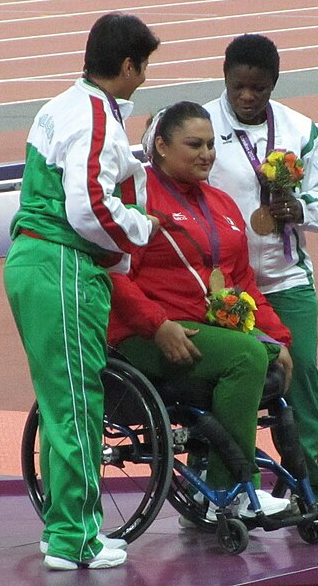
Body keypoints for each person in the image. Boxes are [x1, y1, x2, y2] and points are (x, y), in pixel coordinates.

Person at [4, 13, 160, 571]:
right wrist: (140, 230)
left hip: (35, 261)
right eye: (143, 69)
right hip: (62, 264)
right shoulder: (93, 115)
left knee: (59, 404)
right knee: (75, 405)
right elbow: (88, 206)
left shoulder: (59, 106)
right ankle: (77, 540)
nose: (144, 80)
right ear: (126, 66)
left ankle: (62, 528)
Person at [108, 101, 293, 521]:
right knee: (246, 357)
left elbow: (242, 282)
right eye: (194, 144)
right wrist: (158, 327)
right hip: (145, 335)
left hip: (206, 330)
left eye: (211, 144)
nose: (206, 154)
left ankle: (244, 477)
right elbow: (114, 275)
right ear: (160, 145)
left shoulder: (222, 204)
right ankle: (228, 493)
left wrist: (277, 336)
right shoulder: (136, 196)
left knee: (265, 353)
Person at [204, 34, 318, 521]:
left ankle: (310, 486)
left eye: (259, 89)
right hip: (221, 286)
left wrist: (300, 208)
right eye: (239, 86)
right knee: (214, 385)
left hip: (287, 279)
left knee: (301, 375)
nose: (247, 96)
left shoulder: (300, 130)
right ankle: (211, 486)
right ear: (224, 77)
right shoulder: (196, 125)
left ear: (274, 85)